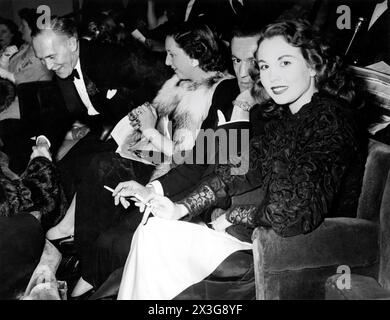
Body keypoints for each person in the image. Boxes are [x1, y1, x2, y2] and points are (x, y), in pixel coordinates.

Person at [115, 19, 361, 300]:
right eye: (266, 66)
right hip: (263, 236)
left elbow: (288, 212)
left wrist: (229, 217)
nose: (271, 77)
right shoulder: (288, 116)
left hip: (299, 250)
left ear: (314, 65)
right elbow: (237, 169)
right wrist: (180, 208)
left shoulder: (330, 119)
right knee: (155, 230)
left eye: (285, 63)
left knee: (158, 241)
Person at [46, 21, 240, 299]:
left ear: (194, 56)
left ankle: (92, 271)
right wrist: (143, 122)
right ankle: (86, 263)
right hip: (163, 162)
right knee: (99, 164)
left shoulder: (222, 93)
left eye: (172, 54)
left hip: (183, 176)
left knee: (110, 230)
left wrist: (149, 130)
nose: (166, 59)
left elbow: (196, 159)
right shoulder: (177, 81)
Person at [31, 16, 170, 199]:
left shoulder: (111, 57)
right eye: (42, 60)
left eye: (51, 56)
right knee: (62, 172)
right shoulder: (62, 69)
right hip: (105, 133)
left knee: (94, 173)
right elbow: (54, 114)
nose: (48, 66)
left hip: (142, 137)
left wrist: (158, 134)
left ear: (72, 43)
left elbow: (162, 80)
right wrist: (42, 144)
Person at [0, 9, 52, 85]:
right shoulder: (25, 47)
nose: (19, 29)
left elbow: (18, 81)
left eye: (23, 26)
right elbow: (9, 71)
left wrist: (3, 72)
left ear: (33, 28)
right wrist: (5, 59)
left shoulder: (42, 55)